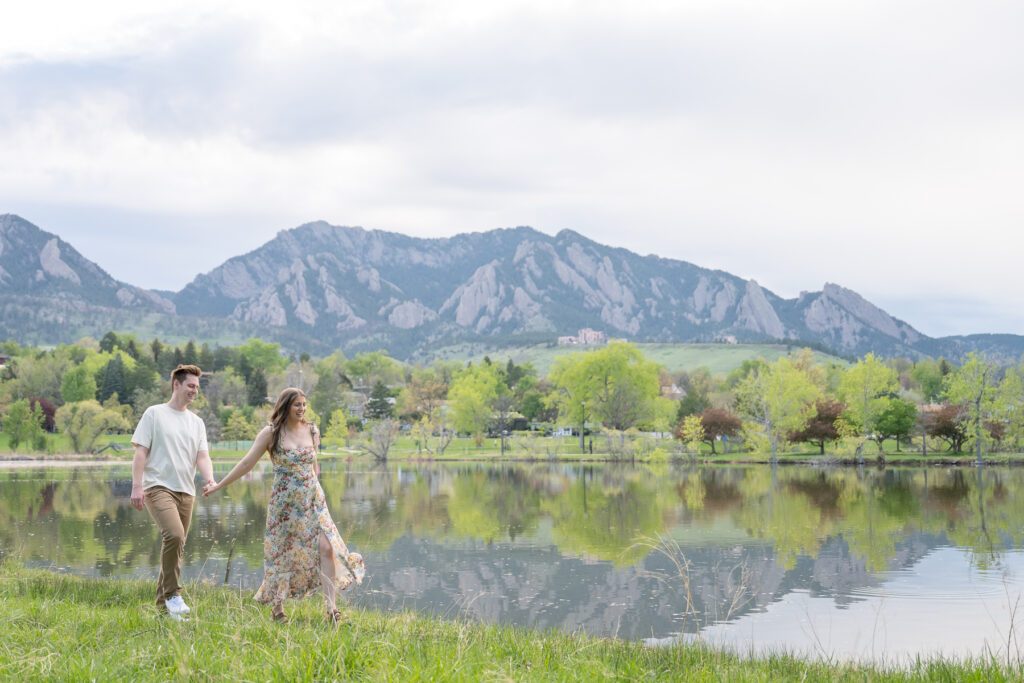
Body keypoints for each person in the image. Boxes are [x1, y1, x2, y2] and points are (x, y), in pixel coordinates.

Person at [203, 387, 365, 624]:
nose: (302, 409)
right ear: (285, 406)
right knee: (282, 553)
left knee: (327, 548)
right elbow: (248, 462)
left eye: (304, 404)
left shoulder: (312, 430)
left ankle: (332, 610)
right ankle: (277, 608)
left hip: (313, 500)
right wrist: (219, 485)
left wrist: (316, 489)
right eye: (297, 404)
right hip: (285, 504)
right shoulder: (272, 433)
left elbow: (313, 463)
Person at [130, 364, 215, 620]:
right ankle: (174, 594)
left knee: (176, 547)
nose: (195, 392)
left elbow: (203, 456)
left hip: (186, 491)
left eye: (197, 388)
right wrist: (136, 486)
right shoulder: (154, 414)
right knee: (175, 535)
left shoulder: (196, 422)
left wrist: (210, 479)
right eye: (191, 386)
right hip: (157, 486)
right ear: (176, 384)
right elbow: (140, 452)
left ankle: (162, 609)